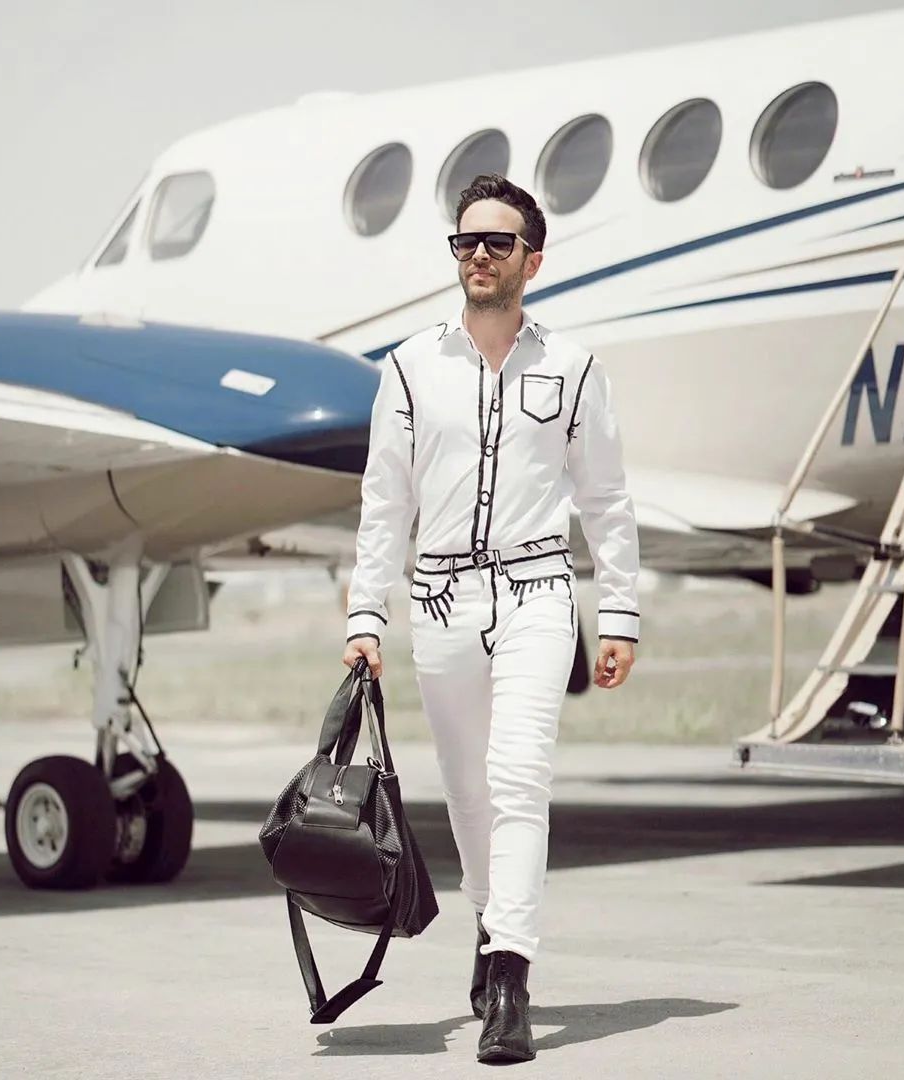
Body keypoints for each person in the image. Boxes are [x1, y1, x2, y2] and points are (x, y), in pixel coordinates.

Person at [341, 173, 640, 1065]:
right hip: (440, 602)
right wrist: (366, 612)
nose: (477, 253)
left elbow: (607, 501)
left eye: (497, 241)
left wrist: (618, 612)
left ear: (530, 261)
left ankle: (509, 977)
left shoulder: (574, 368)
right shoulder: (408, 368)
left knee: (517, 778)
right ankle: (489, 918)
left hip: (539, 593)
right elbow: (384, 502)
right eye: (466, 241)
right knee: (468, 792)